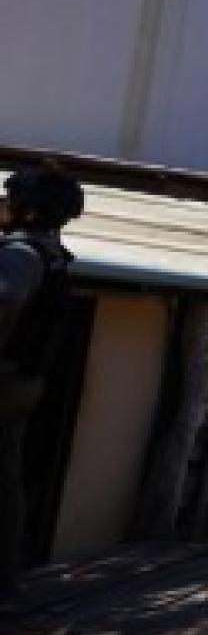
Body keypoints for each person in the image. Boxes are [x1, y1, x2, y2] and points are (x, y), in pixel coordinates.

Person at [0, 170, 84, 593]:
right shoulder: (53, 255)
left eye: (8, 199)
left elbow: (5, 302)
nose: (2, 206)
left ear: (28, 211)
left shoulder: (19, 255)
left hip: (5, 378)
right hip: (23, 382)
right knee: (6, 477)